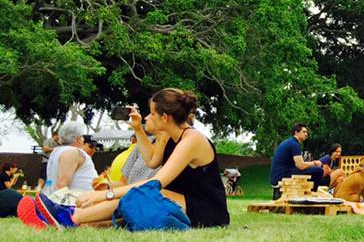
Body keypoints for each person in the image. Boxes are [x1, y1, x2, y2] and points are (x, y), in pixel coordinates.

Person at [21, 88, 229, 230]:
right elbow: (152, 161)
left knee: (139, 197)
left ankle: (69, 217)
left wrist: (103, 196)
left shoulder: (192, 139)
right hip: (177, 202)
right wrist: (139, 129)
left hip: (206, 210)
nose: (147, 117)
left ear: (165, 118)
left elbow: (154, 182)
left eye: (152, 113)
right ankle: (64, 220)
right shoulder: (170, 136)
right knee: (128, 213)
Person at [269, 123, 329, 198]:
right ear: (296, 132)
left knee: (313, 170)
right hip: (282, 175)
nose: (306, 134)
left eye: (306, 132)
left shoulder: (289, 142)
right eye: (304, 132)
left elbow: (299, 164)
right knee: (319, 171)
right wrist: (315, 163)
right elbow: (301, 166)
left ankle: (307, 191)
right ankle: (311, 193)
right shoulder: (294, 144)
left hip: (280, 173)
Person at [43, 120, 98, 202]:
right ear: (79, 139)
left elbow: (50, 179)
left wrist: (46, 194)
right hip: (78, 203)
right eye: (82, 137)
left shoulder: (56, 152)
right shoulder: (72, 153)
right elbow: (62, 184)